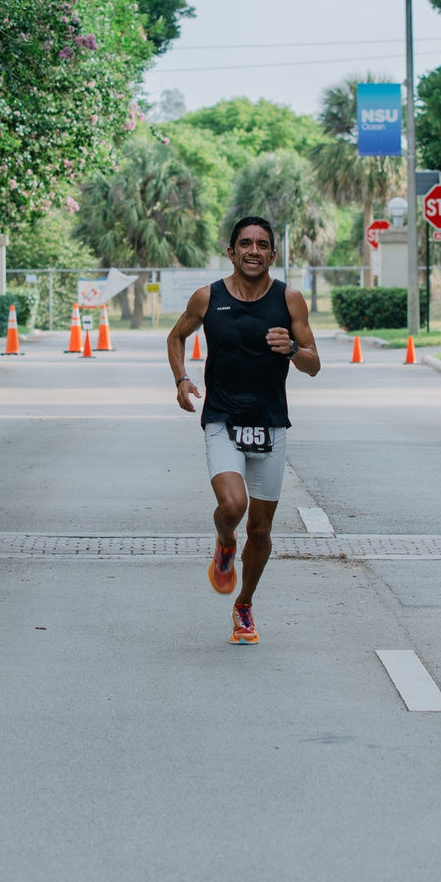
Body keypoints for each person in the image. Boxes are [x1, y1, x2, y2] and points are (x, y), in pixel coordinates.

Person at [166, 216, 321, 644]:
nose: (254, 251)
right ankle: (223, 541)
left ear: (273, 254)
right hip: (222, 418)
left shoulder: (289, 300)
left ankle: (244, 605)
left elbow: (313, 362)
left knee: (262, 529)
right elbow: (175, 337)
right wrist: (181, 379)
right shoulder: (207, 297)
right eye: (245, 244)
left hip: (270, 423)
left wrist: (291, 348)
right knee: (233, 507)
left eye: (262, 245)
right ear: (231, 251)